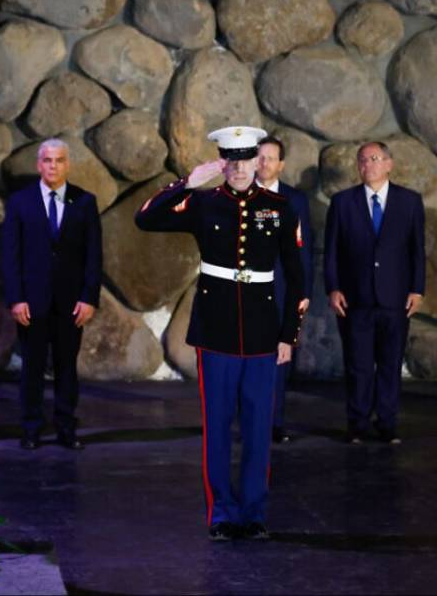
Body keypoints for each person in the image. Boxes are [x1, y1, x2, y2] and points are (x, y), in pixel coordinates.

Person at [135, 126, 304, 542]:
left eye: (249, 159)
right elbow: (146, 218)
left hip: (264, 333)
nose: (242, 168)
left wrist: (288, 335)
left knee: (258, 429)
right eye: (233, 160)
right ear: (223, 164)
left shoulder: (280, 207)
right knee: (217, 429)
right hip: (216, 332)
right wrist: (185, 183)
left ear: (258, 162)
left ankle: (254, 512)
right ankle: (221, 514)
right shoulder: (204, 203)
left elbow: (296, 278)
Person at [2, 138, 102, 451]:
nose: (53, 166)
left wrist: (89, 297)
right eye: (47, 160)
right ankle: (31, 428)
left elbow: (93, 255)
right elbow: (10, 255)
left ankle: (65, 427)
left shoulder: (84, 202)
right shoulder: (20, 202)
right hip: (31, 302)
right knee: (31, 367)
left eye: (59, 160)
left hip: (71, 304)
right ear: (38, 164)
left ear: (67, 165)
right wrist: (16, 298)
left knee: (66, 368)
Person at [324, 141, 425, 445]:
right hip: (355, 298)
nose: (368, 165)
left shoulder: (409, 202)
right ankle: (357, 423)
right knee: (358, 365)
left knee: (390, 364)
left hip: (396, 299)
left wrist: (417, 289)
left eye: (375, 159)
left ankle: (387, 423)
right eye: (363, 160)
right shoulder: (343, 202)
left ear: (389, 164)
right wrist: (333, 287)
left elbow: (416, 251)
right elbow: (331, 252)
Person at [254, 136, 314, 443]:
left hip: (280, 292)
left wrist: (302, 296)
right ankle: (246, 421)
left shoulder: (295, 200)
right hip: (243, 293)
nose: (263, 163)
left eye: (270, 158)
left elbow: (303, 253)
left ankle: (274, 423)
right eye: (259, 157)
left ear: (281, 165)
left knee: (278, 360)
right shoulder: (238, 194)